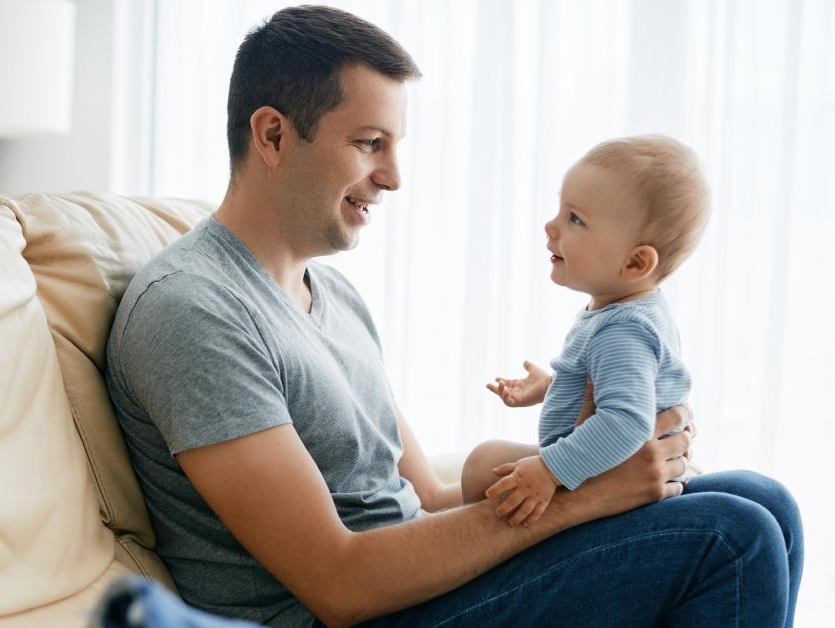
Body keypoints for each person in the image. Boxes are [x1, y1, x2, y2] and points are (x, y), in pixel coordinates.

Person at [105, 6, 802, 627]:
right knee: (731, 536)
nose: (395, 177)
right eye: (369, 143)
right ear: (274, 135)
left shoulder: (335, 298)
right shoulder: (193, 311)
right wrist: (581, 500)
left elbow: (428, 494)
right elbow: (337, 583)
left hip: (424, 589)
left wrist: (598, 459)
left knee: (763, 501)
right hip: (354, 613)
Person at [461, 136, 708, 527]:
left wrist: (549, 471)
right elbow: (606, 386)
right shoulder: (625, 307)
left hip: (615, 486)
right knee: (484, 464)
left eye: (574, 219)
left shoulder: (624, 330)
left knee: (481, 468)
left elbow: (626, 422)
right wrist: (553, 386)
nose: (550, 225)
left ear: (635, 262)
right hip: (603, 469)